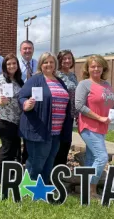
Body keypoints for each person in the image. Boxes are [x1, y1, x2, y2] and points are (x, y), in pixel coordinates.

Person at [18, 53, 75, 184]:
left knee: (50, 160)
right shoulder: (35, 79)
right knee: (36, 161)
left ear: (55, 64)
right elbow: (21, 96)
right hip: (39, 129)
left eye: (51, 62)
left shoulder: (59, 81)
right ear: (41, 65)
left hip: (56, 131)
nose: (49, 65)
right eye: (45, 62)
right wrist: (25, 104)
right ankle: (28, 188)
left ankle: (42, 188)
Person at [76, 54, 114, 201]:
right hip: (88, 126)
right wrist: (99, 117)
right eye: (93, 66)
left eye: (99, 66)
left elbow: (111, 102)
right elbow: (79, 105)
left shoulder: (106, 85)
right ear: (87, 68)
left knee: (91, 158)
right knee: (102, 157)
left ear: (103, 67)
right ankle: (91, 190)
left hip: (102, 127)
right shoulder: (84, 84)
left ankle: (87, 191)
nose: (96, 68)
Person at [0, 54, 25, 184]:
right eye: (9, 64)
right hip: (3, 118)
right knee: (7, 148)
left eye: (14, 63)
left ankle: (10, 176)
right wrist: (0, 100)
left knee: (14, 148)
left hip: (15, 120)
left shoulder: (18, 80)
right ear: (5, 66)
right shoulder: (1, 80)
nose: (12, 66)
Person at [53, 49, 79, 172]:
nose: (67, 61)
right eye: (64, 59)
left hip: (70, 114)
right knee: (57, 141)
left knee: (66, 141)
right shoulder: (56, 75)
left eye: (69, 58)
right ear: (60, 61)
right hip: (58, 113)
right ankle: (53, 168)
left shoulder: (73, 75)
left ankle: (61, 168)